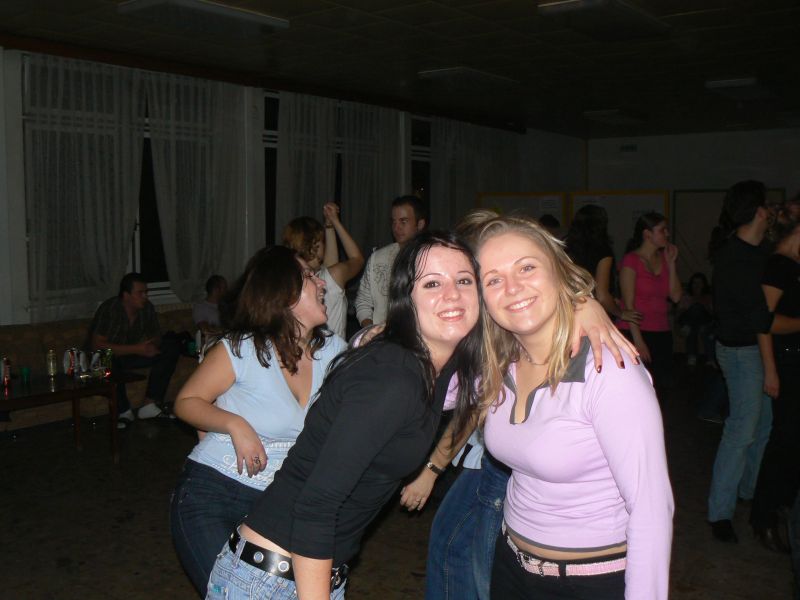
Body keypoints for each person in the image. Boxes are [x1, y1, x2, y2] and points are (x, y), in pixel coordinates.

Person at [205, 230, 483, 600]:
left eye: (464, 280)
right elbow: (316, 506)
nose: (452, 294)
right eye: (432, 283)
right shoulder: (393, 375)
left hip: (308, 570)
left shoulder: (440, 367)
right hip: (271, 580)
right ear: (407, 298)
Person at [399, 209, 640, 600]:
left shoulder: (530, 337)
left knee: (471, 558)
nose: (456, 288)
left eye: (467, 276)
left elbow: (650, 505)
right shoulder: (478, 328)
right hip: (502, 468)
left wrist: (584, 304)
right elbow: (459, 396)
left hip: (503, 472)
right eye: (489, 276)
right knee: (458, 549)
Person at [472, 213, 673, 599]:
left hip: (590, 580)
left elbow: (651, 509)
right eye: (493, 279)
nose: (512, 288)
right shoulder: (500, 364)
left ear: (559, 271)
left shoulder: (608, 370)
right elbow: (435, 386)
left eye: (527, 268)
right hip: (511, 565)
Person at [170, 247, 347, 596]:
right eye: (309, 276)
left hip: (279, 504)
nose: (322, 282)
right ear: (283, 292)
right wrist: (236, 425)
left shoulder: (334, 352)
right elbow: (186, 402)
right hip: (213, 494)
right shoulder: (243, 348)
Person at [706, 180, 800, 544]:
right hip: (740, 352)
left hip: (758, 349)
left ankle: (749, 492)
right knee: (742, 431)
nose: (771, 210)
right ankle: (719, 513)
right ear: (758, 211)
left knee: (764, 428)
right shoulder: (735, 258)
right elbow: (763, 320)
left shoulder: (759, 250)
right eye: (767, 205)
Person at [749, 214, 800, 552]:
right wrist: (770, 370)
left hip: (795, 358)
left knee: (792, 442)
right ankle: (763, 517)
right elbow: (763, 321)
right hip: (786, 361)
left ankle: (782, 509)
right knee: (784, 440)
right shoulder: (778, 265)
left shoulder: (792, 264)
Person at [87, 272, 180, 429]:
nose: (145, 296)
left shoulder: (146, 308)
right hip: (105, 357)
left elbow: (156, 336)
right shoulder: (110, 309)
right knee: (108, 358)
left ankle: (149, 405)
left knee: (171, 347)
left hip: (132, 354)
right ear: (126, 295)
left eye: (146, 292)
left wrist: (151, 345)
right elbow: (97, 345)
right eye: (140, 293)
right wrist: (137, 348)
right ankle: (124, 411)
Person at [618, 212, 682, 388]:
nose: (667, 234)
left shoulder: (664, 259)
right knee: (639, 386)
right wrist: (638, 341)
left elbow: (676, 296)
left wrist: (671, 264)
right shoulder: (631, 260)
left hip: (661, 331)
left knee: (662, 385)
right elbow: (629, 305)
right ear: (647, 234)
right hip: (636, 331)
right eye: (662, 230)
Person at [282, 203, 364, 339]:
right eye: (322, 241)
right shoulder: (330, 277)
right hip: (333, 351)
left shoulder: (293, 279)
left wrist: (329, 225)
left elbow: (330, 265)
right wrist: (336, 221)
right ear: (315, 244)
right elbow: (358, 259)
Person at [355, 195, 428, 327]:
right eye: (393, 222)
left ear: (420, 224)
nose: (396, 227)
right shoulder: (378, 258)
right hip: (383, 336)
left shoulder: (432, 259)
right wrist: (371, 330)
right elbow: (363, 301)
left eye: (403, 221)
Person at [564, 204, 641, 326]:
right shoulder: (602, 250)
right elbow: (602, 295)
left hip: (567, 311)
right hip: (592, 314)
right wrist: (620, 313)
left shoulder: (565, 247)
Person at [677, 272, 714, 367]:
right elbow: (679, 313)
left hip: (704, 321)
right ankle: (703, 358)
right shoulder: (686, 296)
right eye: (694, 283)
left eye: (699, 283)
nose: (697, 286)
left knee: (697, 309)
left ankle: (692, 356)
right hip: (689, 320)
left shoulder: (708, 297)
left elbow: (713, 314)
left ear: (704, 285)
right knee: (693, 322)